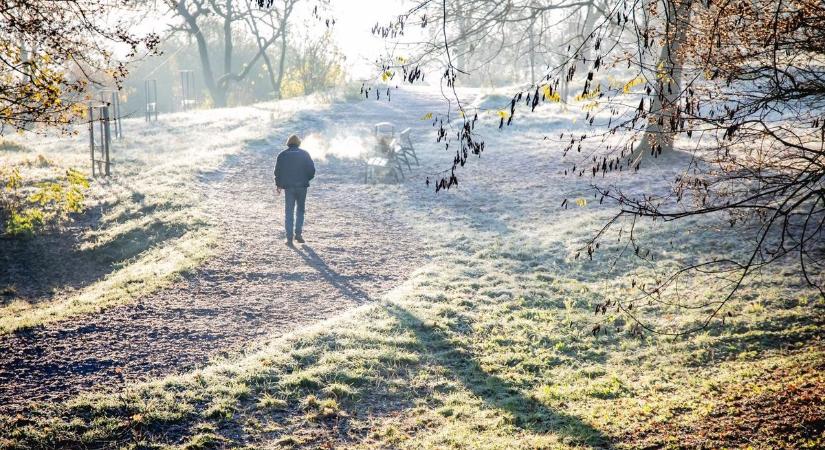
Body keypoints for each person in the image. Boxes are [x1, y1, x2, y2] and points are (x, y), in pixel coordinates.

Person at [274, 134, 315, 246]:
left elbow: (278, 171)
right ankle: (299, 234)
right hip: (302, 186)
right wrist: (306, 179)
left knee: (289, 212)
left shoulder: (282, 155)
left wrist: (279, 185)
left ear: (288, 143)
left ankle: (289, 238)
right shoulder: (305, 154)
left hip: (289, 187)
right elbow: (311, 170)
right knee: (300, 210)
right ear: (298, 143)